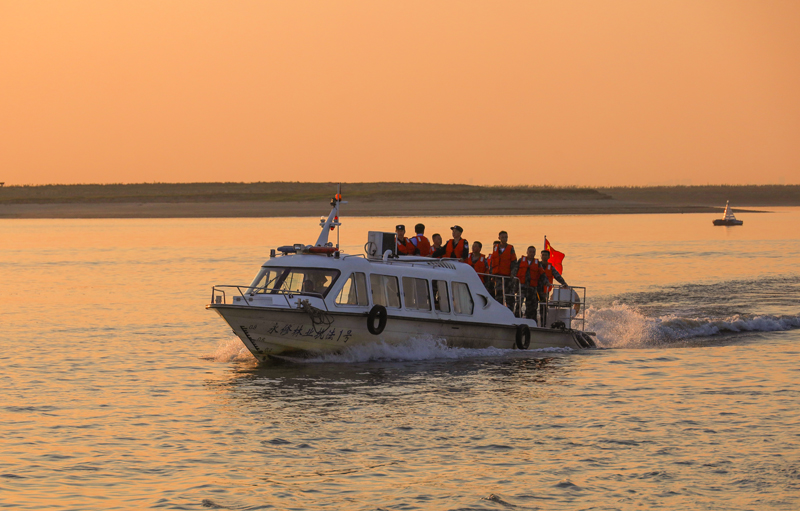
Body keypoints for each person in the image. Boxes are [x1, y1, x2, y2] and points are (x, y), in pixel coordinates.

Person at [537, 249, 569, 326]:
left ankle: (543, 324)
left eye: (546, 255)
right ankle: (534, 322)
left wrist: (564, 283)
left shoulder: (551, 267)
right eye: (543, 255)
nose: (544, 256)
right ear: (540, 256)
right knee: (533, 306)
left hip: (545, 291)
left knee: (543, 308)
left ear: (548, 257)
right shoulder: (537, 265)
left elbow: (557, 276)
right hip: (535, 289)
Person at [489, 231, 517, 310]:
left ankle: (510, 311)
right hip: (498, 276)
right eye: (503, 237)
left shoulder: (510, 248)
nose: (505, 239)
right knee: (498, 295)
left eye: (506, 237)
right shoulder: (495, 248)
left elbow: (514, 262)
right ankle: (498, 310)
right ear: (499, 238)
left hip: (507, 276)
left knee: (509, 295)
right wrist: (492, 275)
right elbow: (492, 262)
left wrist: (512, 273)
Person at [515, 246, 541, 321]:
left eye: (533, 252)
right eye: (530, 252)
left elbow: (542, 274)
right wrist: (514, 285)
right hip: (521, 287)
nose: (532, 253)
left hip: (531, 288)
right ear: (527, 252)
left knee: (530, 306)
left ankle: (530, 320)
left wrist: (547, 282)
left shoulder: (537, 263)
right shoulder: (521, 261)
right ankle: (516, 318)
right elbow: (515, 271)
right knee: (519, 303)